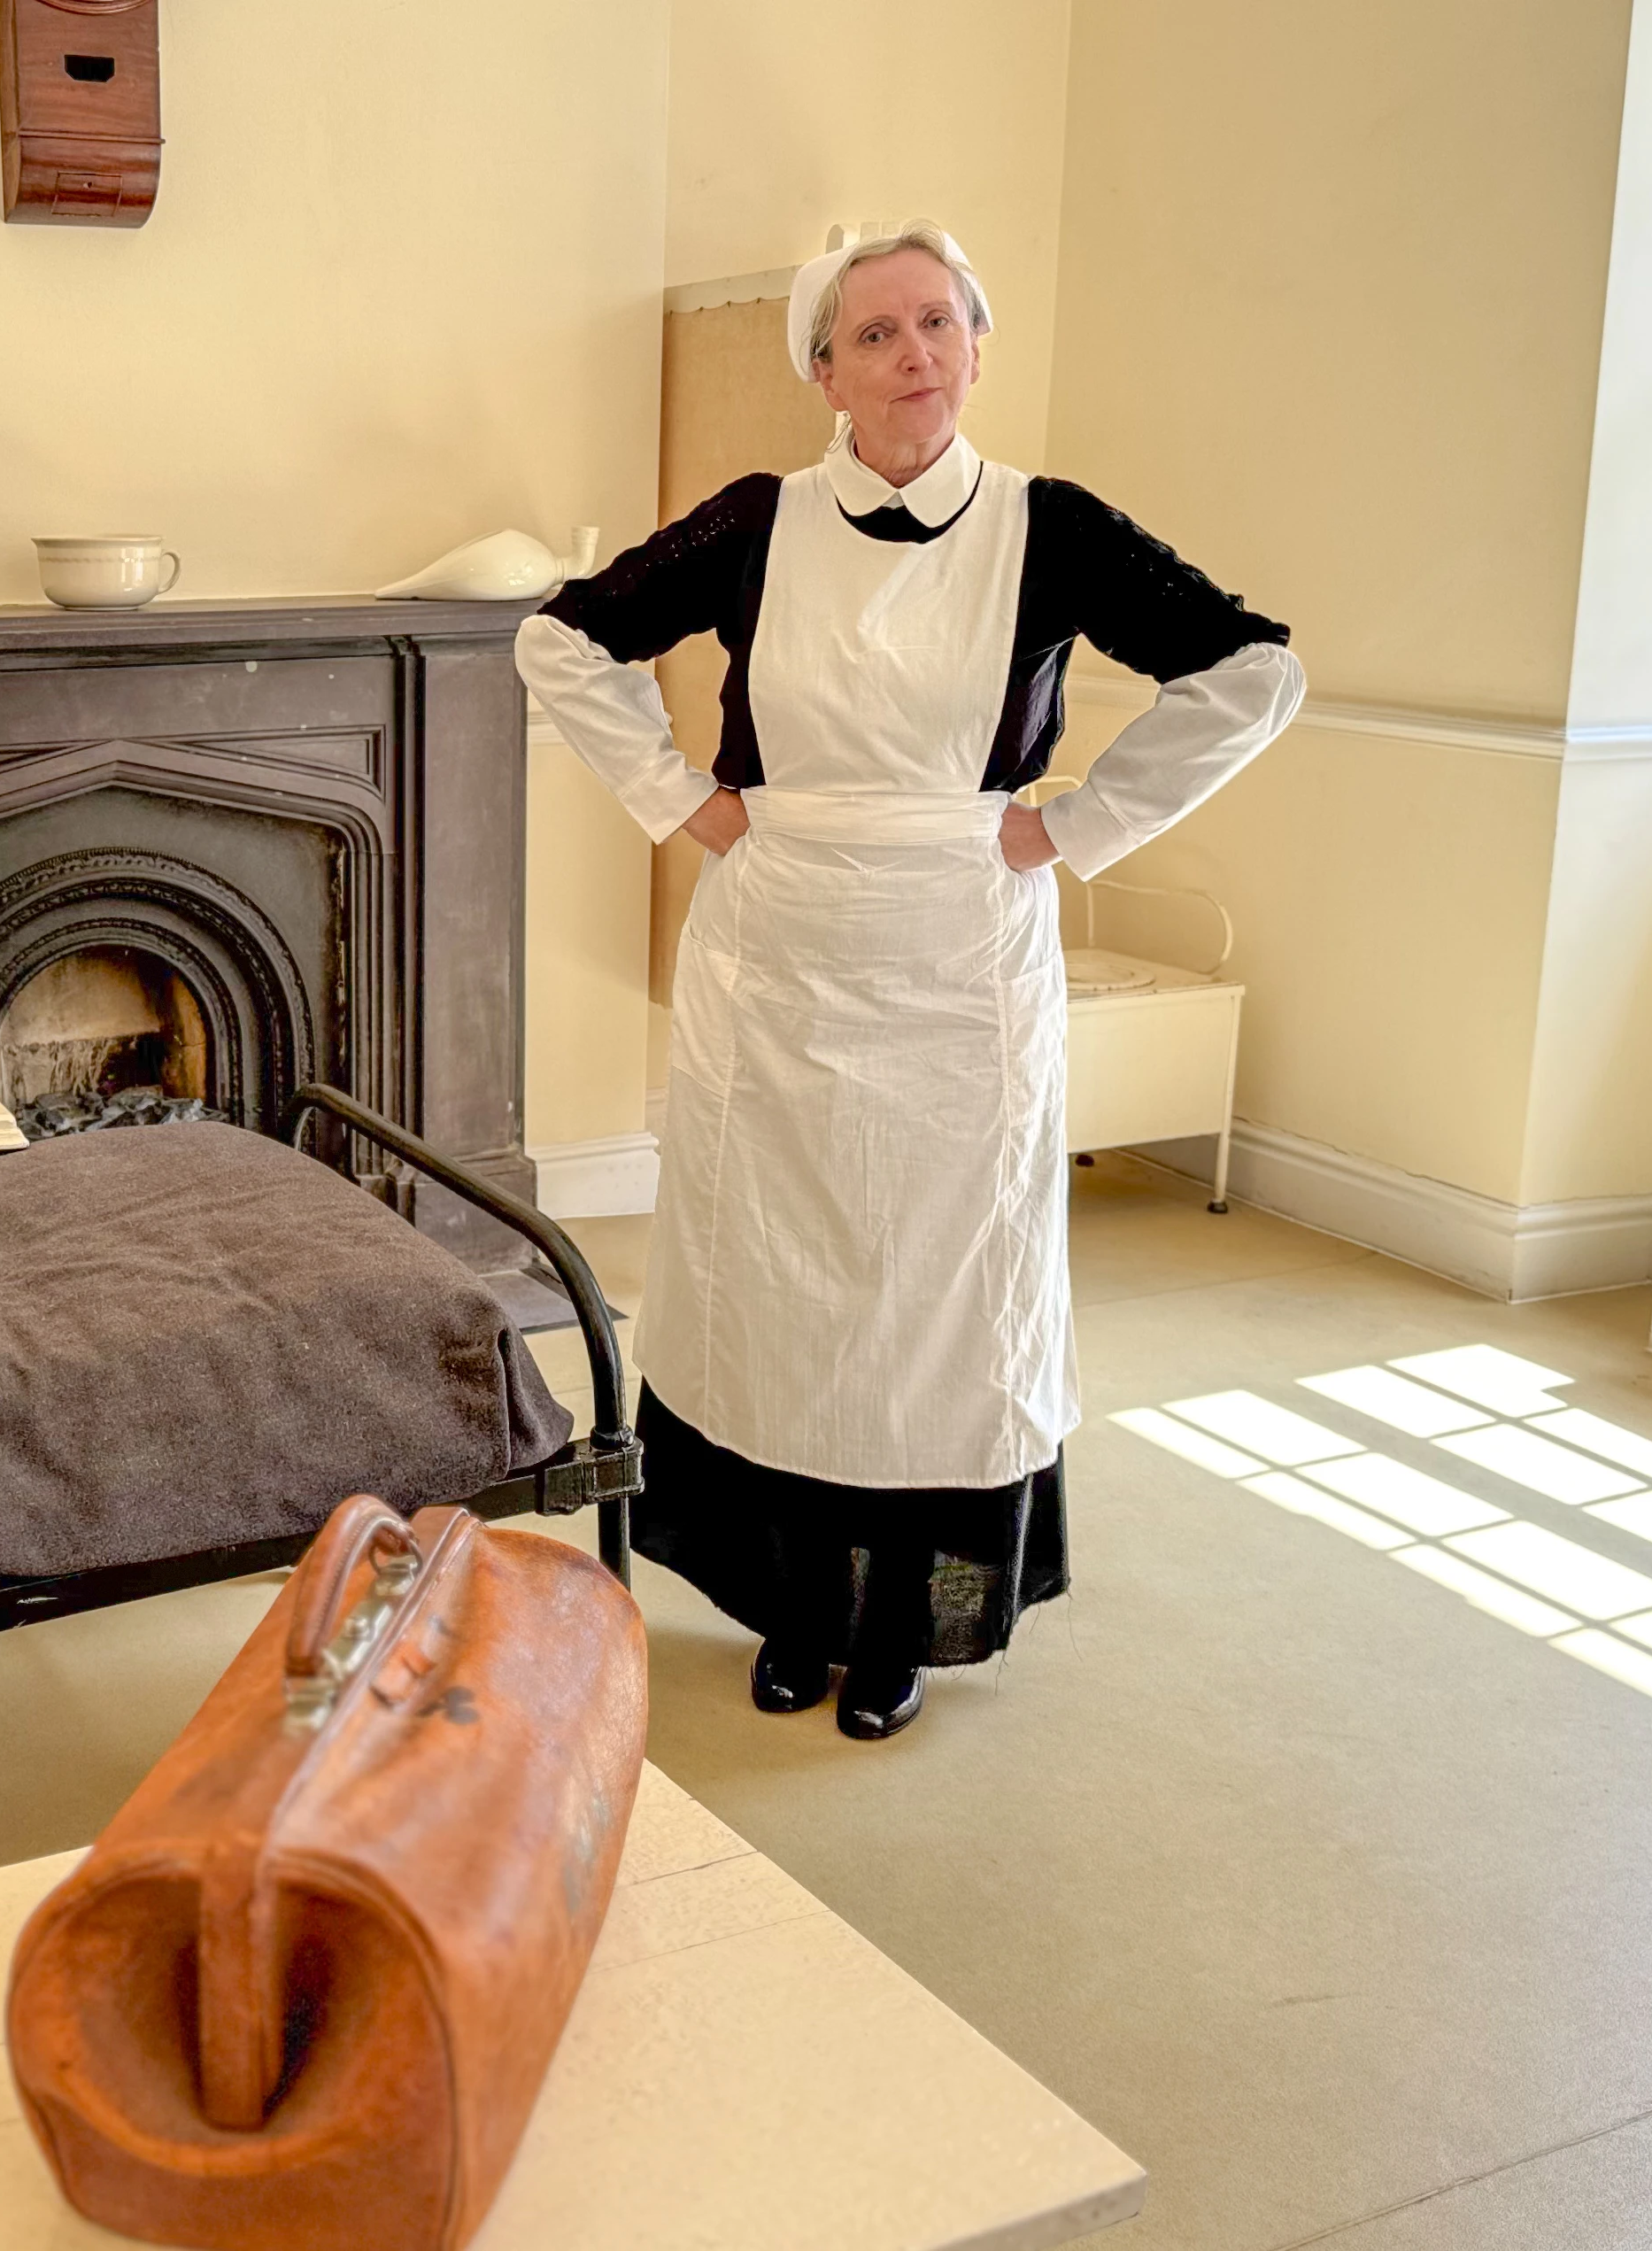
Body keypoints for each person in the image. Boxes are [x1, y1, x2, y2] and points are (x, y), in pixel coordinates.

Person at [517, 222, 1302, 1740]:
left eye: (936, 324)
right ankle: (795, 1610)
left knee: (933, 1297)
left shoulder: (1046, 526)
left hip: (960, 955)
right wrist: (683, 803)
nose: (911, 357)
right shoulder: (758, 520)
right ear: (824, 369)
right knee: (785, 1291)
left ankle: (902, 1627)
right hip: (781, 956)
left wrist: (1074, 827)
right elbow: (564, 642)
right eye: (874, 333)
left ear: (976, 347)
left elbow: (1250, 667)